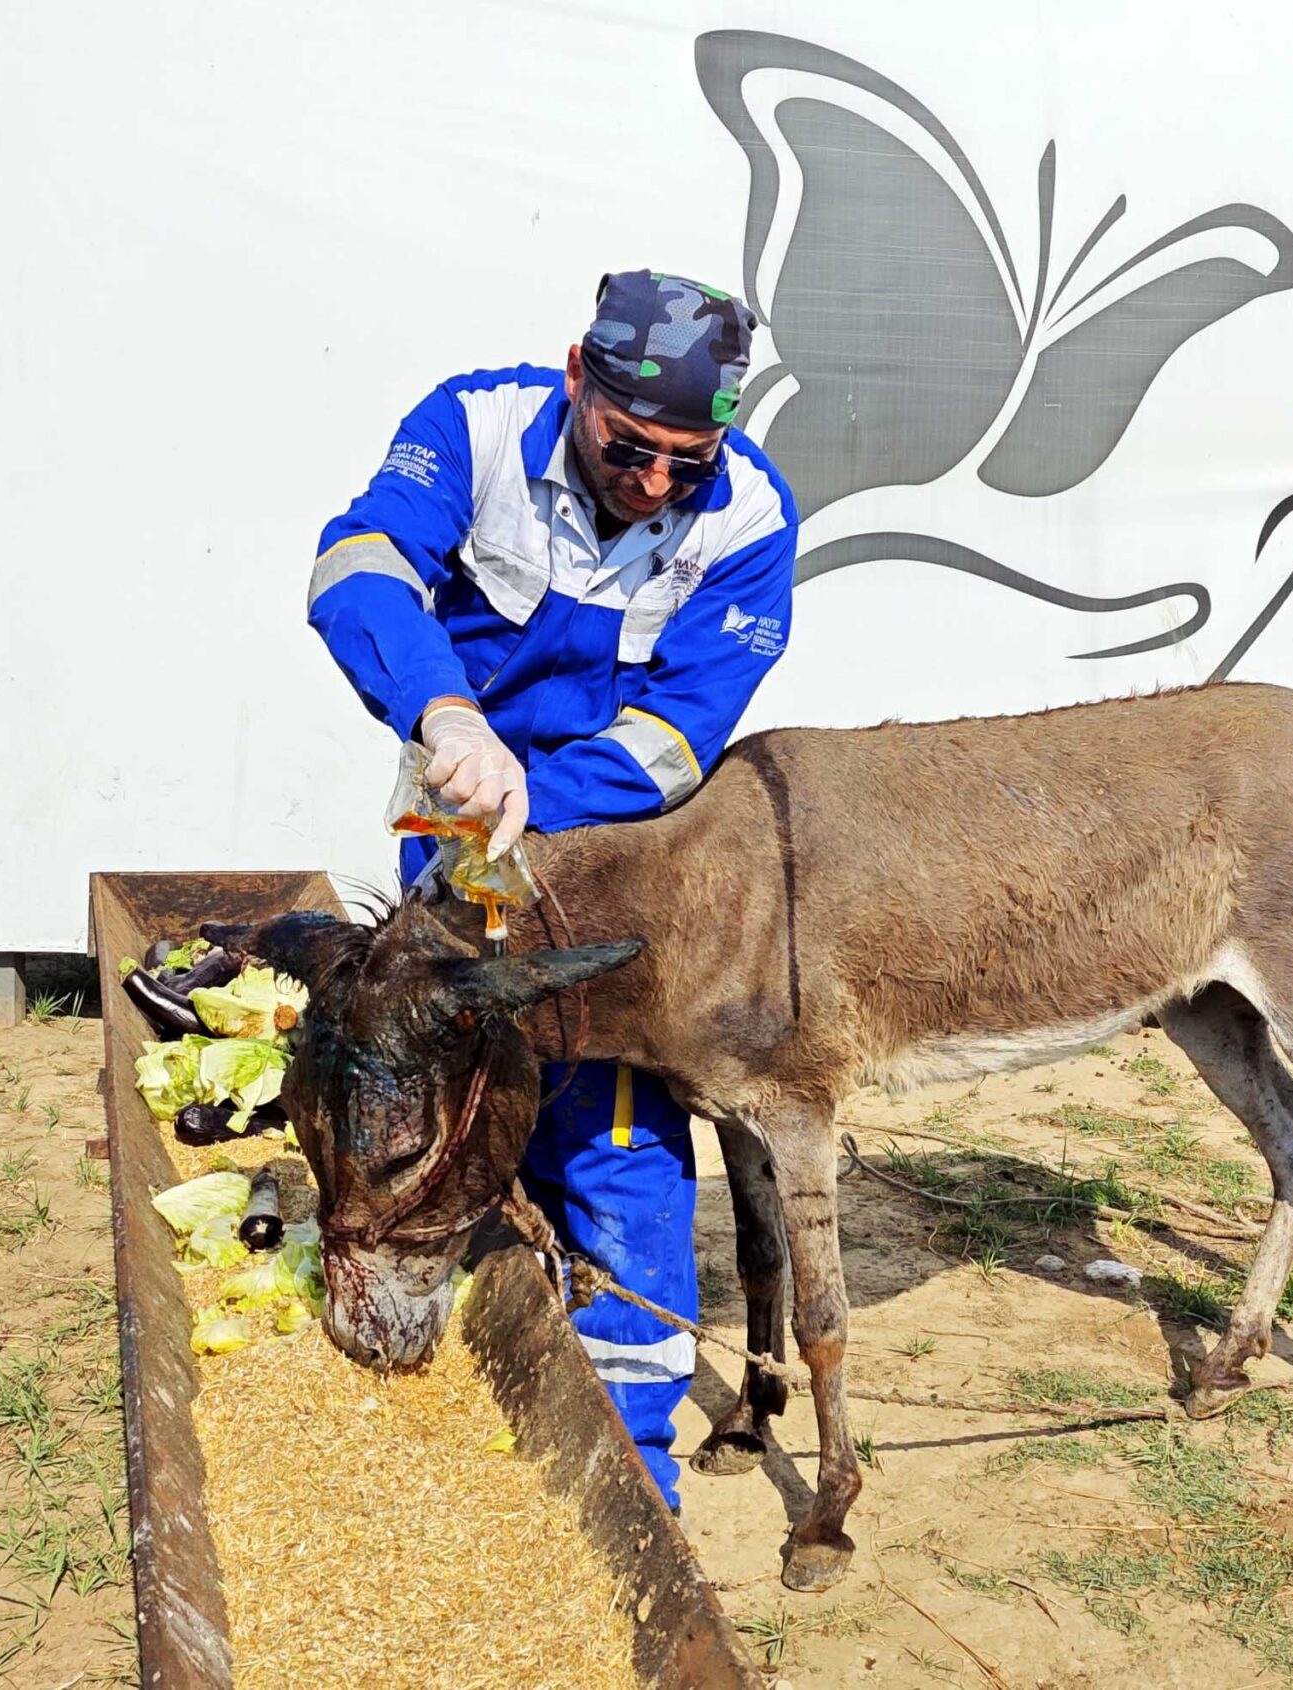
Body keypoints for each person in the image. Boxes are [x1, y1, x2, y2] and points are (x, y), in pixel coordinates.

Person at [304, 269, 798, 1508]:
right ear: (577, 375)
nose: (654, 483)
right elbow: (354, 571)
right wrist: (449, 717)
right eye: (632, 448)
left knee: (613, 1120)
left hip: (615, 854)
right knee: (426, 1095)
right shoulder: (469, 429)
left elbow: (684, 729)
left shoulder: (748, 519)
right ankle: (446, 1302)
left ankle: (628, 1453)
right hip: (459, 808)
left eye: (688, 462)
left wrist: (552, 801)